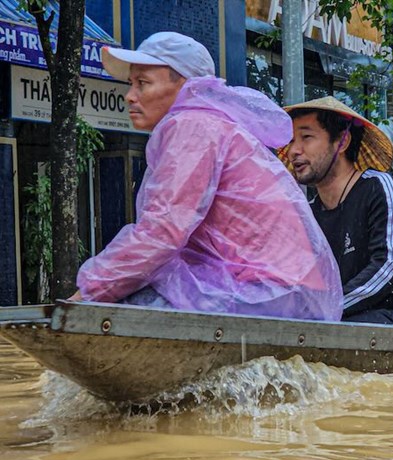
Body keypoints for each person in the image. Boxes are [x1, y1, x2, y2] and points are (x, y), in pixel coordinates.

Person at [73, 32, 343, 321]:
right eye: (131, 84)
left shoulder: (193, 127)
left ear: (186, 86)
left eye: (143, 83)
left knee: (116, 310)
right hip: (284, 293)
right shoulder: (209, 125)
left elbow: (162, 232)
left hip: (267, 293)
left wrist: (86, 292)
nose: (130, 95)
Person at [280, 97, 393, 326]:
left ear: (342, 141)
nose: (294, 150)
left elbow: (388, 266)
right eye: (290, 140)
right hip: (340, 321)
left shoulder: (380, 188)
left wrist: (326, 308)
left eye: (307, 137)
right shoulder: (307, 214)